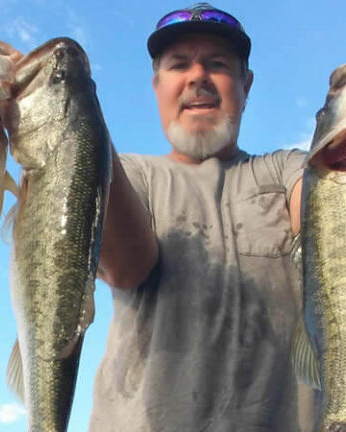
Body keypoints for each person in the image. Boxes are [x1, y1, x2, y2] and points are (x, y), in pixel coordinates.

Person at [90, 3, 315, 431]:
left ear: (246, 84)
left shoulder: (288, 170)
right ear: (157, 86)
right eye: (179, 65)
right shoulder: (126, 174)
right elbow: (125, 267)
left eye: (218, 64)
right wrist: (76, 120)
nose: (198, 77)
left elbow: (335, 235)